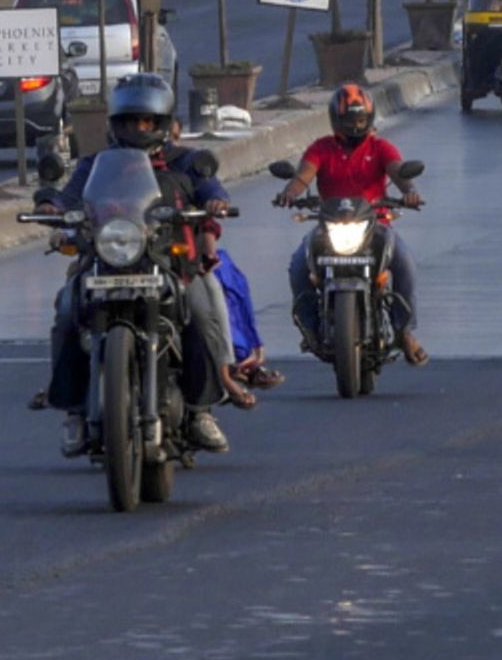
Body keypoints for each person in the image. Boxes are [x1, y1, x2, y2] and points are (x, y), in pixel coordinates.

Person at [42, 73, 234, 457]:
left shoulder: (187, 162)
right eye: (131, 121)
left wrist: (214, 202)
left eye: (147, 121)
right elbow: (70, 196)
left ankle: (199, 411)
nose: (139, 129)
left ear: (162, 124)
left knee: (201, 314)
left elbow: (213, 189)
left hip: (171, 263)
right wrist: (54, 208)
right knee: (66, 314)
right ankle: (76, 412)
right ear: (116, 124)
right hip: (108, 261)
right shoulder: (96, 164)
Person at [276, 81, 428, 367]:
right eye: (349, 120)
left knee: (405, 262)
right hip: (328, 228)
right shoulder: (322, 148)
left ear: (369, 119)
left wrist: (409, 191)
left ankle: (404, 332)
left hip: (375, 226)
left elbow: (398, 171)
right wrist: (290, 193)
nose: (355, 126)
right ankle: (310, 328)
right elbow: (303, 176)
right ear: (336, 120)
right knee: (298, 266)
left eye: (360, 119)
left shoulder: (380, 147)